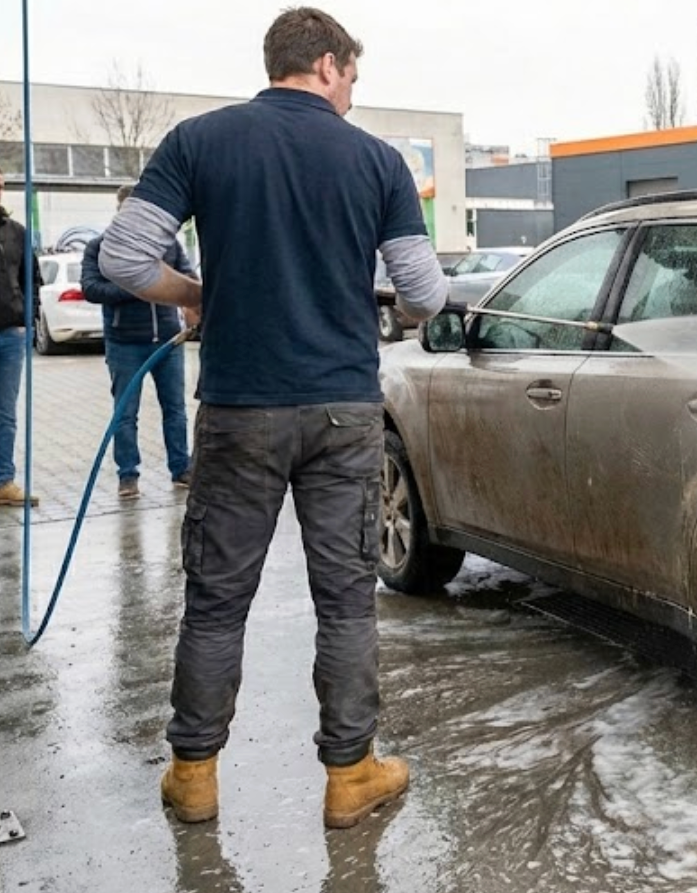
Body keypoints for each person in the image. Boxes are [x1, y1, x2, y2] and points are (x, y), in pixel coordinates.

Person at [99, 7, 448, 829]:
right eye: (352, 76)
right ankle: (350, 774)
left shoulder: (200, 141)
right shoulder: (378, 161)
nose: (353, 94)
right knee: (345, 599)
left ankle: (193, 775)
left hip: (239, 410)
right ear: (326, 64)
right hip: (342, 412)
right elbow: (427, 293)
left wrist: (197, 293)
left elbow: (122, 257)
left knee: (217, 598)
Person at [82, 184, 197, 501]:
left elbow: (188, 277)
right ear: (120, 212)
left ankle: (181, 468)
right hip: (124, 343)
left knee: (175, 409)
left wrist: (191, 296)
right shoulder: (100, 247)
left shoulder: (168, 245)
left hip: (169, 341)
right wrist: (138, 284)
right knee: (125, 413)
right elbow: (91, 288)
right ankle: (128, 475)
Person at [0, 173, 41, 508]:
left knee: (6, 413)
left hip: (11, 335)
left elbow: (32, 278)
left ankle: (3, 480)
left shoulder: (16, 232)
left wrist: (27, 319)